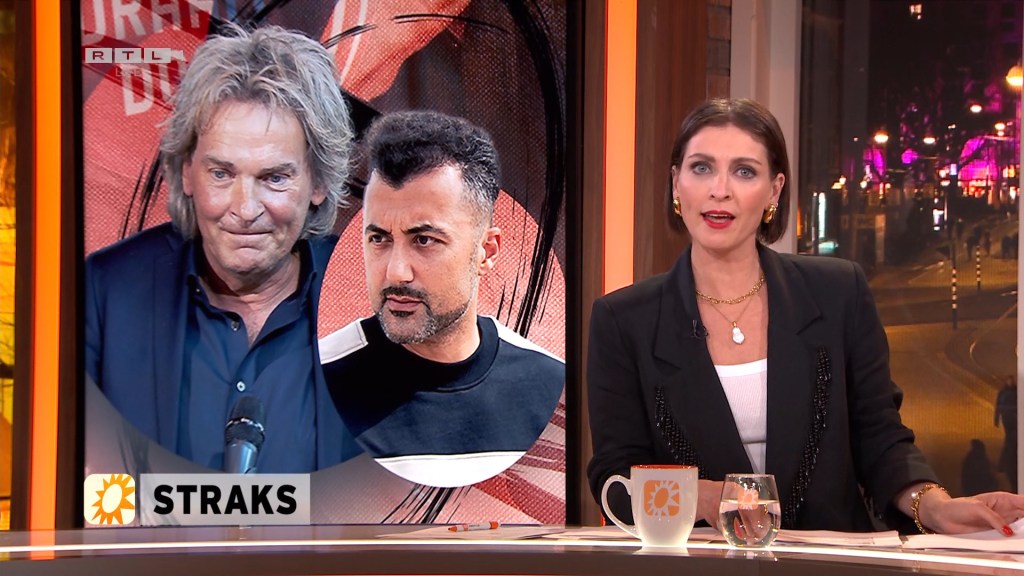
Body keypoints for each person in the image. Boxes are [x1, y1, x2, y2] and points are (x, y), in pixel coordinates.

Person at [587, 98, 1024, 534]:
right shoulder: (624, 320)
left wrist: (933, 506)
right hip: (699, 562)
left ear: (774, 191)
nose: (720, 189)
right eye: (701, 167)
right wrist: (702, 496)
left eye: (744, 171)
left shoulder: (838, 293)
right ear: (676, 183)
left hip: (829, 559)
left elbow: (879, 438)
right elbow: (615, 481)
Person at [85, 25, 360, 473]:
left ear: (319, 181)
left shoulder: (371, 302)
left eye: (274, 178)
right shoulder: (104, 293)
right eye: (221, 174)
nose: (245, 209)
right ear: (187, 172)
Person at [319, 110, 564, 488]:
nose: (396, 272)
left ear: (486, 251)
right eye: (379, 238)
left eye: (424, 240)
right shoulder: (312, 385)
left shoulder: (553, 391)